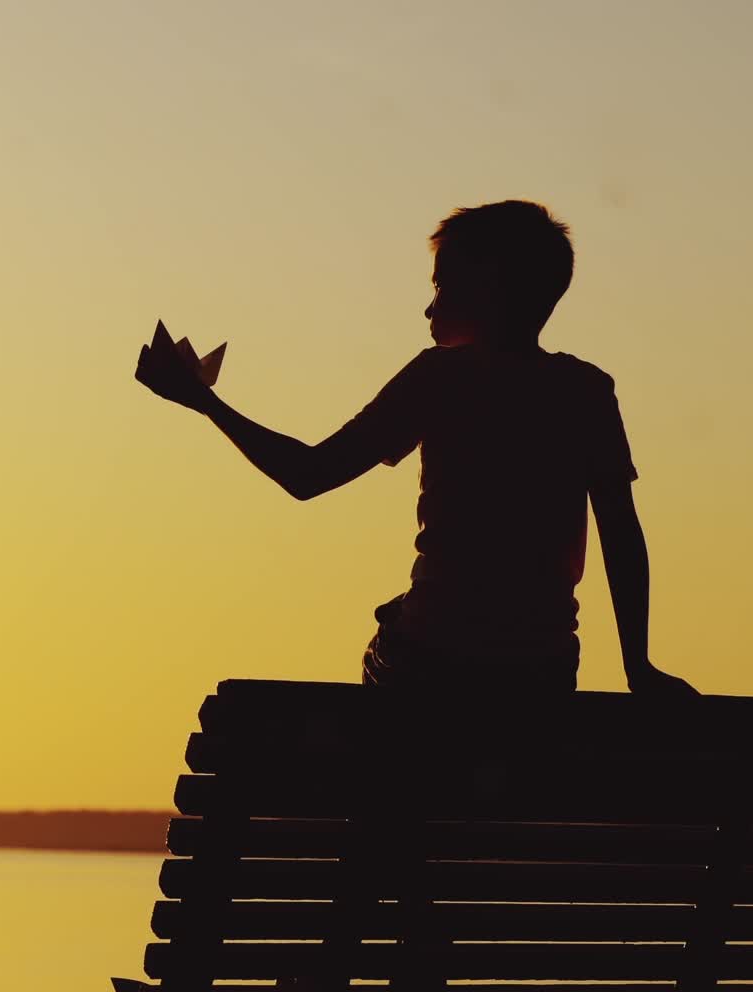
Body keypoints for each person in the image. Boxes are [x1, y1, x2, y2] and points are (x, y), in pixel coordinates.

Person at [134, 199, 694, 697]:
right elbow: (622, 533)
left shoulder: (440, 380)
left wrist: (205, 403)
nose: (430, 308)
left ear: (486, 287)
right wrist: (638, 667)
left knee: (392, 641)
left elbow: (307, 474)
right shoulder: (586, 391)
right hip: (540, 674)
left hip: (433, 665)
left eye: (441, 286)